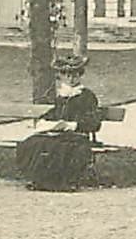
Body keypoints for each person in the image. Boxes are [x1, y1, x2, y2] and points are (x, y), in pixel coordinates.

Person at [15, 54, 102, 191]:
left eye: (75, 75)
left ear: (80, 75)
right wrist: (44, 122)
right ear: (61, 76)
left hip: (77, 136)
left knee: (60, 147)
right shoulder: (61, 96)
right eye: (67, 75)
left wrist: (70, 125)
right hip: (59, 134)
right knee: (34, 142)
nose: (71, 78)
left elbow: (94, 122)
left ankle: (61, 182)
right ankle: (40, 179)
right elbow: (53, 114)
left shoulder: (87, 96)